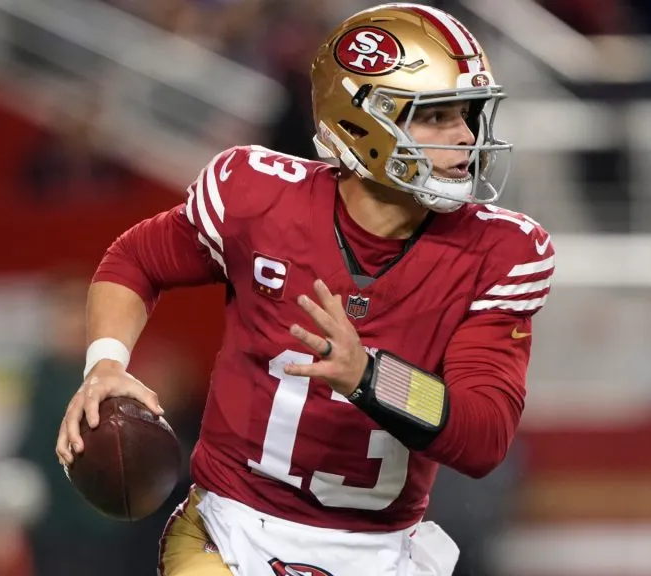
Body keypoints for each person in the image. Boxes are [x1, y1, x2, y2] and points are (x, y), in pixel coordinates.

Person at [54, 4, 554, 576]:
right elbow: (135, 259)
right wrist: (106, 365)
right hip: (233, 526)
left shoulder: (498, 252)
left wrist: (371, 376)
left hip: (380, 551)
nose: (466, 137)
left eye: (468, 115)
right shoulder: (259, 197)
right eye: (437, 117)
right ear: (362, 125)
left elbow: (484, 434)